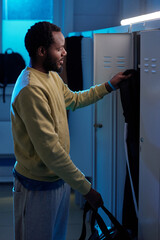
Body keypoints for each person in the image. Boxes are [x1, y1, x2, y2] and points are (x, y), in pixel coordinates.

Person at [10, 21, 129, 240]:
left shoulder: (51, 76)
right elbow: (51, 152)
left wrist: (109, 86)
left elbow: (74, 100)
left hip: (57, 181)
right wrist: (86, 189)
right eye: (59, 48)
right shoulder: (31, 89)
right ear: (42, 51)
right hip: (36, 187)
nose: (65, 52)